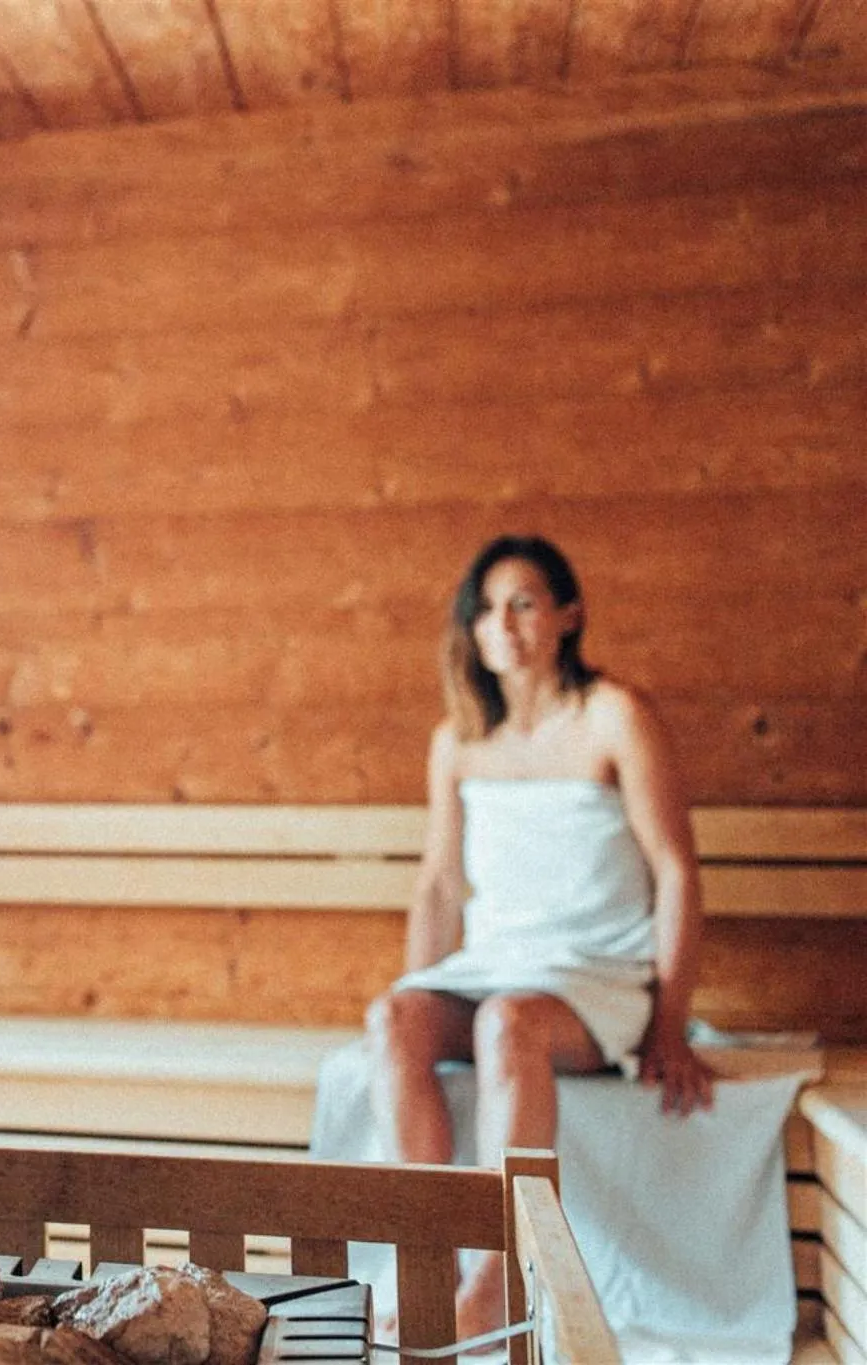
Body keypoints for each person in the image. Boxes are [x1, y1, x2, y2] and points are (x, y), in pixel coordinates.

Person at [364, 534, 713, 1338]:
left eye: (523, 602)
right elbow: (440, 886)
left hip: (598, 976)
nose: (504, 623)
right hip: (495, 966)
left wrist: (670, 1021)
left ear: (568, 614)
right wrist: (417, 1001)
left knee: (507, 1022)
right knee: (391, 1018)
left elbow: (677, 871)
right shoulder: (459, 740)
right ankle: (432, 1267)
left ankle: (497, 1279)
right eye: (486, 609)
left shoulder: (614, 717)